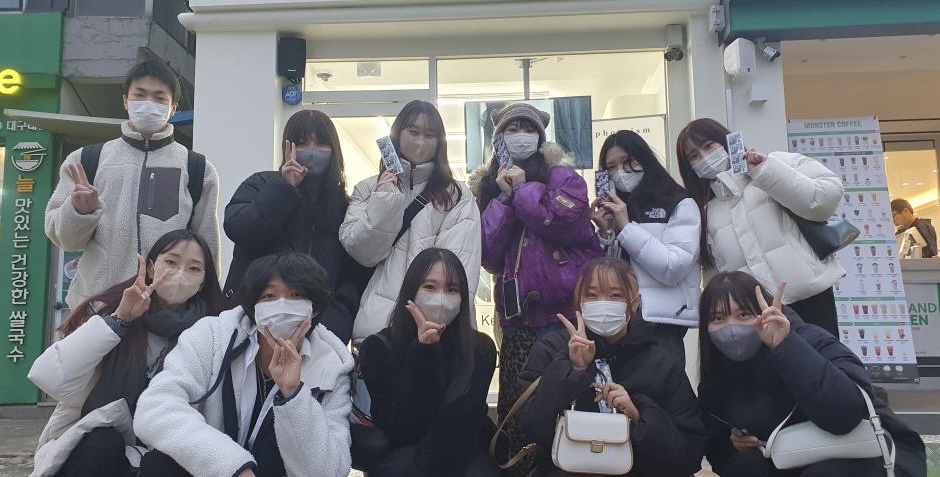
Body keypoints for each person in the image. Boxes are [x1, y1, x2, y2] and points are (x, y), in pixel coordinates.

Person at [133, 253, 354, 477]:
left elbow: (331, 471)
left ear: (314, 308)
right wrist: (233, 467)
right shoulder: (212, 336)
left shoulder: (331, 369)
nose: (282, 305)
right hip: (214, 472)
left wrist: (294, 394)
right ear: (253, 306)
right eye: (269, 296)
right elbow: (154, 408)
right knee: (159, 464)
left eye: (296, 295)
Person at [470, 102, 602, 471]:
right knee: (520, 410)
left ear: (540, 137)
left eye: (527, 128)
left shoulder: (562, 177)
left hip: (565, 318)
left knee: (570, 406)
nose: (520, 136)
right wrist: (503, 198)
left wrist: (523, 190)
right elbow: (488, 254)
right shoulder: (490, 187)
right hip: (518, 323)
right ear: (499, 140)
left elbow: (566, 221)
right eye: (511, 130)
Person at [28, 229, 224, 477]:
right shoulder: (108, 310)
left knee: (168, 460)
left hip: (164, 449)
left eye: (194, 268)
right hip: (95, 452)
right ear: (151, 268)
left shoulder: (214, 332)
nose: (179, 274)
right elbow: (49, 377)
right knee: (102, 442)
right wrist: (119, 320)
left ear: (203, 282)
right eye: (171, 262)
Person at [698, 271, 926, 477]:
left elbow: (846, 413)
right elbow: (716, 447)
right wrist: (735, 442)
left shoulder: (812, 339)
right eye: (718, 318)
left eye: (744, 314)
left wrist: (785, 347)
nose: (732, 328)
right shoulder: (717, 371)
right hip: (787, 460)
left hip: (863, 455)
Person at [45, 60, 220, 311]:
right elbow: (65, 240)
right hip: (97, 307)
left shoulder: (197, 169)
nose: (148, 103)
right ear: (126, 101)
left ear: (173, 107)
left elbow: (207, 248)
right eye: (140, 95)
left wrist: (206, 306)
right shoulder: (86, 161)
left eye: (159, 97)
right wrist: (79, 212)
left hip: (168, 310)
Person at [513, 257, 707, 476]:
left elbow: (688, 454)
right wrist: (573, 371)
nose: (603, 303)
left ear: (635, 302)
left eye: (615, 295)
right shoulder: (551, 349)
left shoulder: (661, 363)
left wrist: (638, 415)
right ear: (579, 302)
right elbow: (530, 426)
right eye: (592, 295)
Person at [676, 118, 844, 336]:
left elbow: (824, 199)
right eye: (693, 156)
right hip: (754, 314)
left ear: (725, 141)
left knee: (823, 357)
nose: (704, 157)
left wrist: (766, 171)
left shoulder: (773, 165)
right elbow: (714, 274)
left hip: (810, 300)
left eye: (708, 146)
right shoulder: (706, 212)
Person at [339, 99, 481, 342]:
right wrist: (385, 200)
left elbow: (458, 268)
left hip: (439, 328)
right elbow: (363, 252)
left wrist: (427, 324)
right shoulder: (368, 189)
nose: (420, 141)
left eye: (430, 135)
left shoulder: (457, 195)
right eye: (413, 132)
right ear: (397, 135)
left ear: (440, 142)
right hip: (378, 327)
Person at [223, 109, 366, 343]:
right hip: (253, 320)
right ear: (286, 147)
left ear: (334, 149)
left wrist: (336, 320)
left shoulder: (346, 206)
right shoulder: (261, 184)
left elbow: (353, 274)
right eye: (301, 143)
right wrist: (283, 188)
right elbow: (240, 230)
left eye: (321, 143)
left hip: (319, 330)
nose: (312, 150)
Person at [359, 248, 498, 476]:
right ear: (411, 292)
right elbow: (400, 426)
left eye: (452, 289)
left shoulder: (481, 348)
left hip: (462, 452)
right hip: (403, 453)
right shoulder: (378, 347)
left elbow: (465, 420)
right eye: (430, 287)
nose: (441, 298)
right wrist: (424, 353)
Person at [592, 130, 701, 362]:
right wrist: (605, 233)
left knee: (662, 381)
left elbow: (673, 268)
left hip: (661, 323)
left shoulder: (678, 203)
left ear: (643, 158)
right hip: (618, 319)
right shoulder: (618, 207)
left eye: (627, 161)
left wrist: (626, 227)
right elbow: (608, 270)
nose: (620, 171)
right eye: (611, 167)